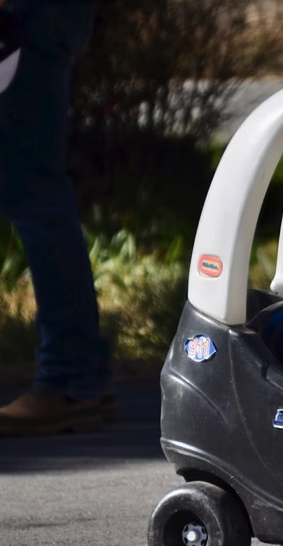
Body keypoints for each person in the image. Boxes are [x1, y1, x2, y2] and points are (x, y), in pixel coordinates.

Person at [0, 0, 112, 437]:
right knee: (35, 192)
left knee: (33, 193)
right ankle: (79, 373)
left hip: (24, 18)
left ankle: (70, 380)